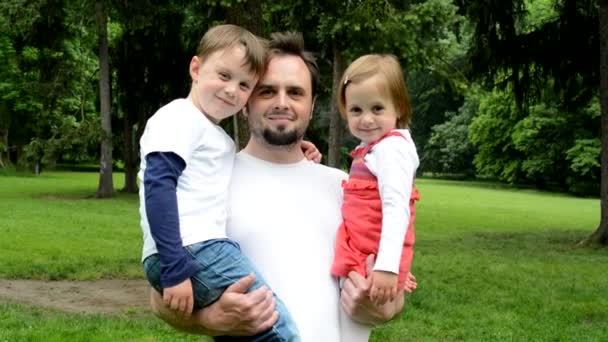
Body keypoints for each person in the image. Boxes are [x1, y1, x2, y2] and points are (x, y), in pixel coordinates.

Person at [149, 32, 415, 341]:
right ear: (247, 101)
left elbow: (392, 285)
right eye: (267, 91)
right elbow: (158, 294)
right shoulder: (211, 182)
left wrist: (382, 307)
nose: (281, 102)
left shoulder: (346, 188)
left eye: (295, 92)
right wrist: (210, 318)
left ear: (312, 105)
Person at [138, 24, 319, 342]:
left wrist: (297, 150)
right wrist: (174, 267)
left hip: (196, 250)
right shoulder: (178, 117)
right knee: (279, 328)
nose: (232, 90)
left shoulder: (218, 140)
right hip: (192, 249)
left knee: (257, 328)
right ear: (195, 67)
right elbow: (158, 188)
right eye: (224, 76)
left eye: (245, 84)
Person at [331, 54, 420, 308]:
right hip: (365, 251)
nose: (366, 119)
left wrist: (389, 266)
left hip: (371, 259)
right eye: (356, 110)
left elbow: (396, 208)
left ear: (399, 107)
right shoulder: (374, 148)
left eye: (377, 108)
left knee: (347, 313)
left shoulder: (391, 149)